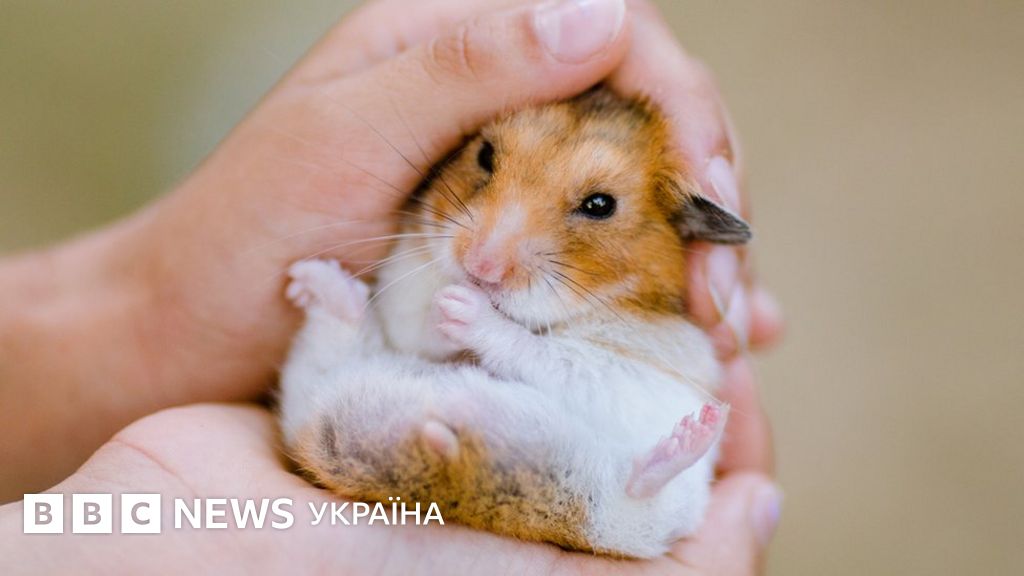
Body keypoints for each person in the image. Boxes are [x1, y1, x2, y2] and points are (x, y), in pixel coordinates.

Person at [0, 0, 784, 573]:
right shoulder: (421, 237)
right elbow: (411, 331)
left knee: (649, 467)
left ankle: (624, 478)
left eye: (596, 206)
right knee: (329, 403)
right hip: (399, 432)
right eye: (485, 163)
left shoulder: (649, 319)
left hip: (576, 466)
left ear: (688, 225)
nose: (487, 253)